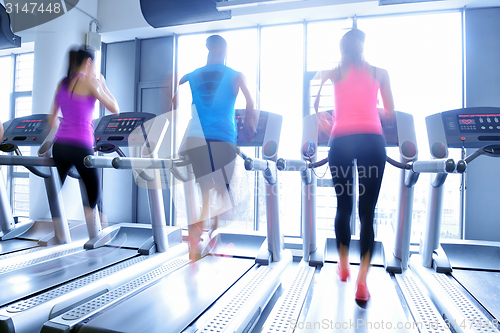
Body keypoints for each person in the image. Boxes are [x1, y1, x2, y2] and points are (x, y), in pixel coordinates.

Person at [314, 28, 395, 302]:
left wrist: (325, 121)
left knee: (343, 206)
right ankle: (362, 283)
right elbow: (390, 113)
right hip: (372, 140)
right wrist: (370, 109)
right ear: (363, 45)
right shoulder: (380, 72)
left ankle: (344, 265)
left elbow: (315, 105)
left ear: (342, 48)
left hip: (341, 141)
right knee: (367, 212)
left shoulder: (333, 72)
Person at [171, 35, 258, 261]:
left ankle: (201, 241)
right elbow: (250, 101)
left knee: (208, 195)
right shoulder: (236, 75)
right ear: (225, 51)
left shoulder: (192, 75)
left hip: (196, 139)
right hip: (222, 140)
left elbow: (174, 98)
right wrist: (251, 120)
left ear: (208, 50)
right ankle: (202, 238)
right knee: (219, 195)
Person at [48, 47, 119, 238]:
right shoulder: (90, 82)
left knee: (55, 189)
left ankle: (58, 235)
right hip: (81, 145)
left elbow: (51, 120)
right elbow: (115, 109)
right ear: (88, 62)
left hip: (60, 146)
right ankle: (96, 236)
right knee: (93, 191)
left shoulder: (62, 83)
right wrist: (103, 85)